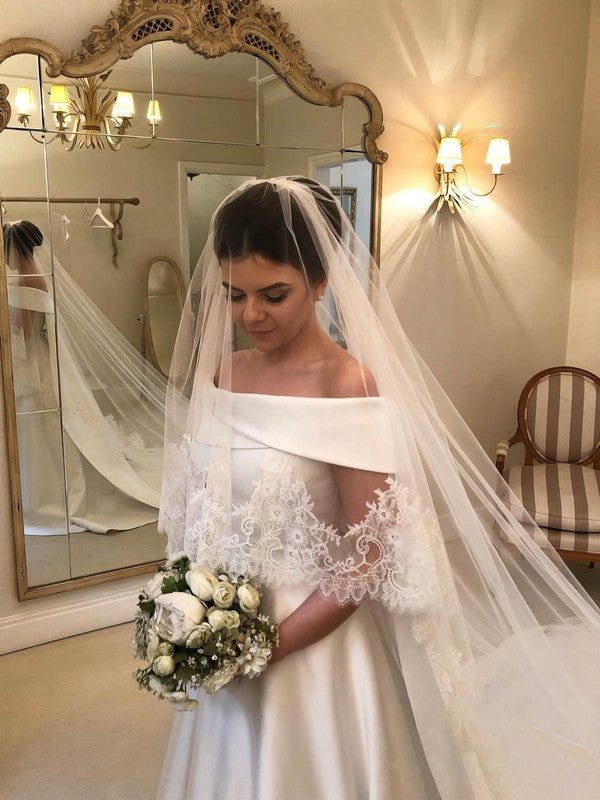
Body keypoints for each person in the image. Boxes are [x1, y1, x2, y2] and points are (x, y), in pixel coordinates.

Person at [156, 177, 600, 800]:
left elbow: (369, 554)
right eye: (234, 294)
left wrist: (266, 646)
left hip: (312, 643)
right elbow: (203, 508)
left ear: (320, 283)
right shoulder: (226, 373)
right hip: (222, 629)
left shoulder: (348, 385)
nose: (250, 315)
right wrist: (192, 611)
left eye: (273, 294)